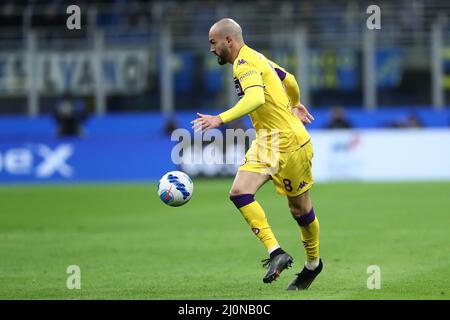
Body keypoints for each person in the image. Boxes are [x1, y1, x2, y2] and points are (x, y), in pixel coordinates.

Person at [192, 18, 322, 290]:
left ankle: (312, 264)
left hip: (290, 143)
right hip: (267, 141)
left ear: (229, 40)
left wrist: (220, 119)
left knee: (300, 209)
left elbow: (255, 98)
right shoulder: (257, 57)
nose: (212, 49)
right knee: (239, 192)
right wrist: (295, 103)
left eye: (213, 43)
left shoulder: (244, 64)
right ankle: (277, 253)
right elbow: (291, 79)